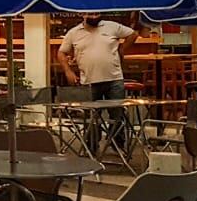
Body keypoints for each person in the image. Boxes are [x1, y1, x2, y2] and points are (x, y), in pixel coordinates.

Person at [58, 12, 137, 150]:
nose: (94, 17)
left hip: (114, 79)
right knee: (91, 118)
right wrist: (68, 71)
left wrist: (122, 49)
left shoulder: (112, 26)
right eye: (91, 14)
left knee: (117, 113)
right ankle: (92, 147)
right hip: (89, 81)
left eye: (97, 14)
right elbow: (61, 52)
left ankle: (118, 144)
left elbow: (133, 34)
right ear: (83, 15)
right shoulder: (74, 33)